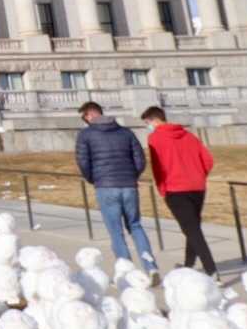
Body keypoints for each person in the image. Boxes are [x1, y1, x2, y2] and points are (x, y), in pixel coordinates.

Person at [75, 101, 157, 273]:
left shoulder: (86, 134)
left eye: (84, 117)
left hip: (105, 186)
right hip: (128, 185)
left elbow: (83, 162)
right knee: (135, 226)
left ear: (90, 115)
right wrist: (132, 175)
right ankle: (150, 267)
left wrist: (93, 178)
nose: (84, 121)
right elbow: (140, 160)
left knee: (115, 231)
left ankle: (127, 271)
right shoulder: (125, 132)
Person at [142, 106, 217, 277]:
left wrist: (162, 187)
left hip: (175, 188)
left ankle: (212, 271)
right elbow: (208, 159)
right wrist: (199, 175)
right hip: (197, 187)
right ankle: (189, 265)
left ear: (154, 120)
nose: (148, 126)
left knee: (193, 230)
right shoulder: (188, 135)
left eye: (147, 123)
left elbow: (157, 166)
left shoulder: (155, 138)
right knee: (192, 228)